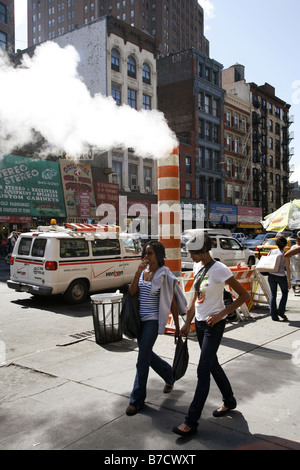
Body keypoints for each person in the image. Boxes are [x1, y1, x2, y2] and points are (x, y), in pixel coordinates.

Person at [172, 233, 250, 437]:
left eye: (193, 253)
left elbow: (244, 295)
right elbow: (194, 297)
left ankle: (191, 421)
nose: (190, 256)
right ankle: (229, 400)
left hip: (214, 326)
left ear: (204, 251)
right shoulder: (198, 267)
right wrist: (187, 322)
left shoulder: (220, 270)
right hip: (198, 323)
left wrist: (221, 314)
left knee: (203, 369)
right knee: (212, 364)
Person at [126, 240, 187, 416]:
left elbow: (173, 302)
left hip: (152, 321)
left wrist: (176, 327)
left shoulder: (165, 274)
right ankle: (169, 374)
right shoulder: (143, 271)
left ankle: (136, 401)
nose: (146, 256)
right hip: (139, 320)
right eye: (145, 253)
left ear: (158, 255)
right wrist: (137, 273)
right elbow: (131, 292)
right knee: (146, 355)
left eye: (150, 253)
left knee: (142, 360)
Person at [267, 236, 291, 322]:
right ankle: (281, 310)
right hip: (281, 275)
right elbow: (287, 268)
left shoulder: (272, 252)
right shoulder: (285, 254)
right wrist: (289, 281)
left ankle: (273, 315)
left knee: (273, 294)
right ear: (285, 245)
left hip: (271, 274)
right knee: (284, 292)